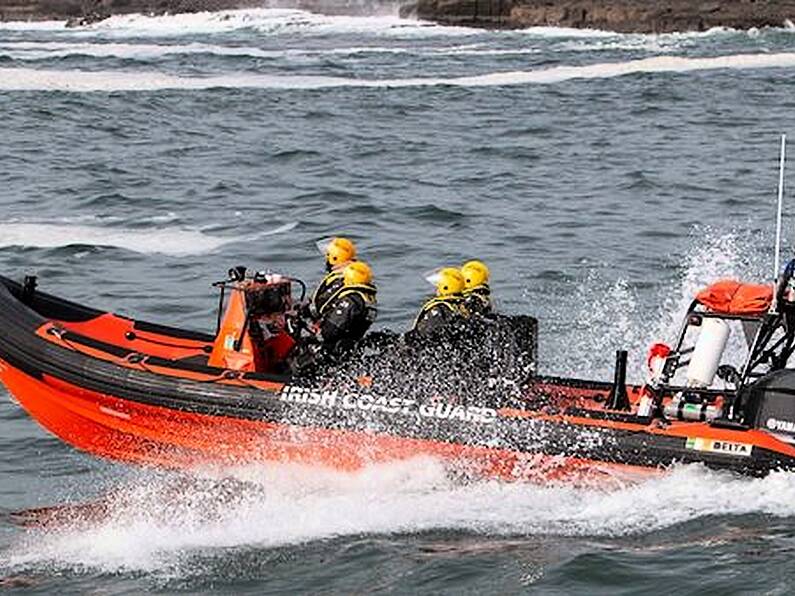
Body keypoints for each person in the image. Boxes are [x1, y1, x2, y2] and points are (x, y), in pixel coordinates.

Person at [316, 261, 378, 354]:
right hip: (349, 347)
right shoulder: (367, 300)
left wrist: (317, 333)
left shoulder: (351, 300)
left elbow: (330, 331)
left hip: (333, 350)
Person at [411, 267, 469, 337]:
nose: (436, 289)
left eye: (438, 286)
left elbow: (425, 335)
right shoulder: (462, 306)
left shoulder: (440, 309)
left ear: (445, 287)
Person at [309, 237, 357, 319]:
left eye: (328, 255)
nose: (326, 259)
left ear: (334, 258)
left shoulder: (342, 278)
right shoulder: (354, 273)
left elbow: (321, 304)